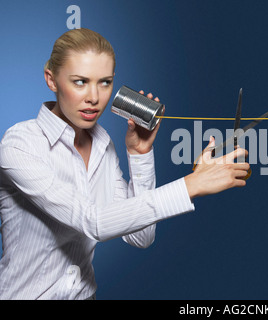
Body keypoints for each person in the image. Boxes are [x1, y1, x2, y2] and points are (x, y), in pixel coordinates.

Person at [0, 28, 250, 300]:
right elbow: (92, 221)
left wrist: (139, 153)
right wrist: (191, 185)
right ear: (52, 80)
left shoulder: (102, 144)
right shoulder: (19, 146)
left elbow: (141, 237)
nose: (94, 97)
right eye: (80, 82)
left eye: (104, 82)